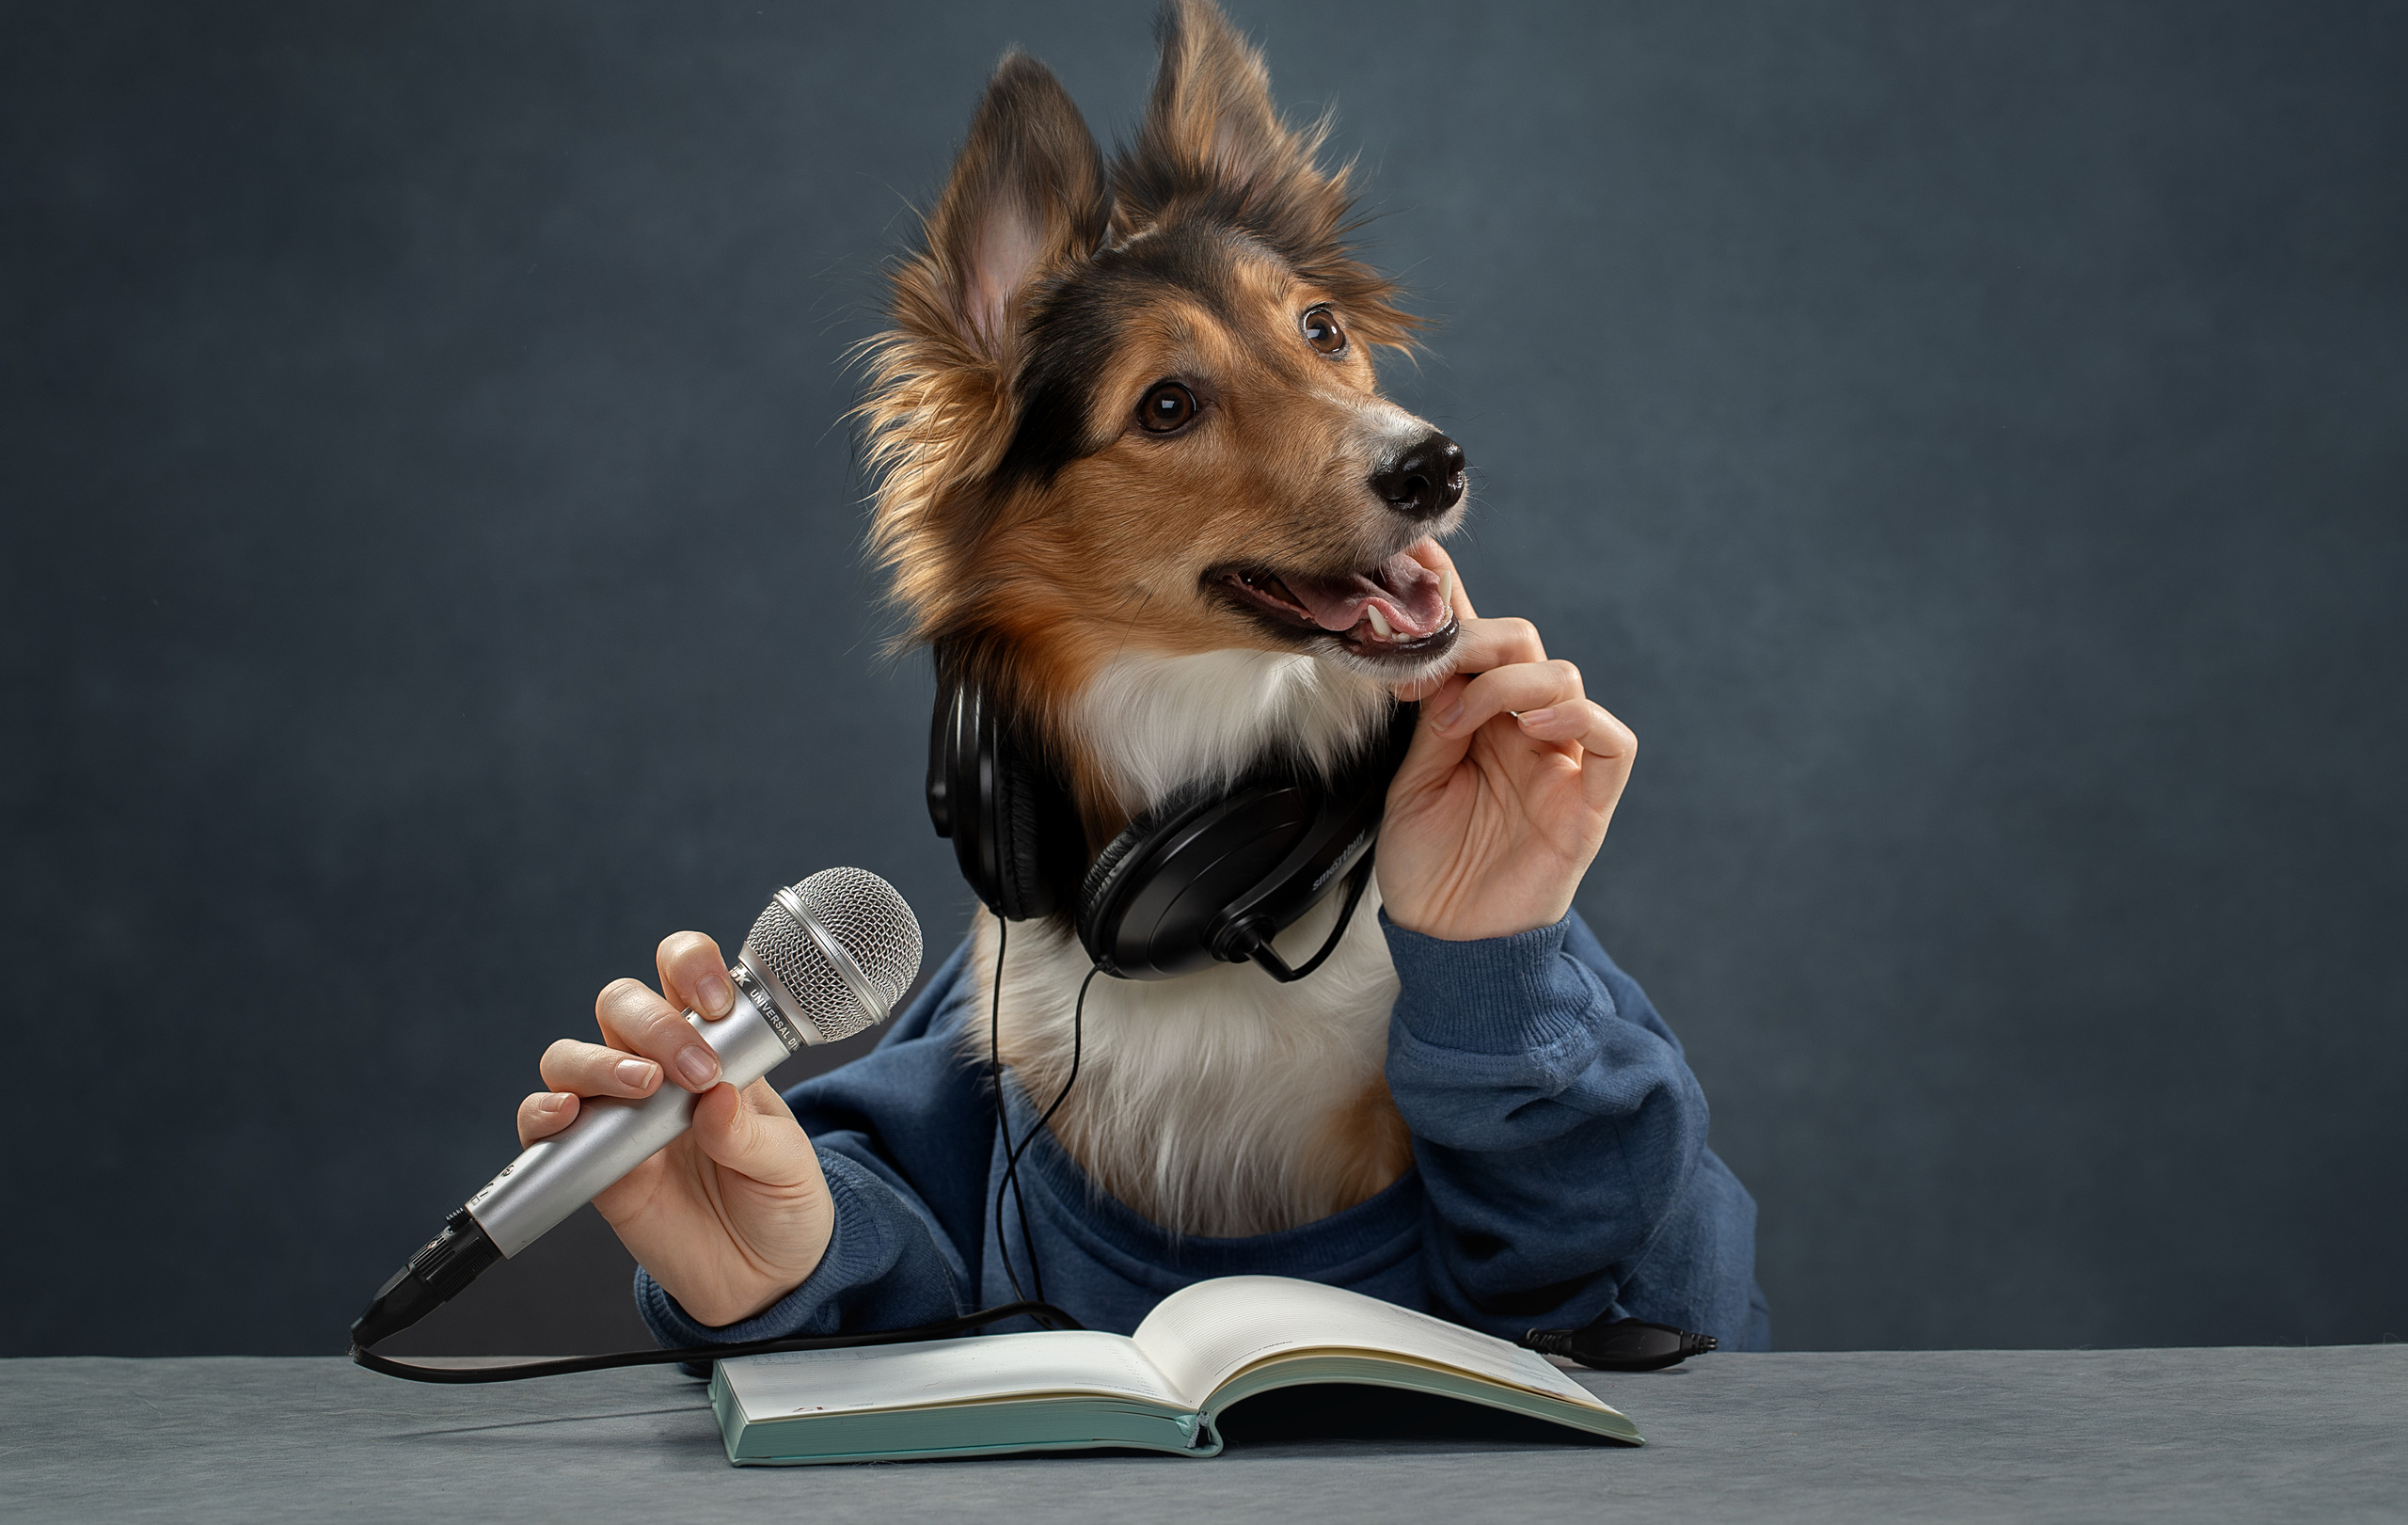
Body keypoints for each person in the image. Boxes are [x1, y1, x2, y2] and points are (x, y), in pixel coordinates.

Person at [514, 548, 1769, 1352]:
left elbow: (1663, 1320)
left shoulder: (1527, 990)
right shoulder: (1030, 958)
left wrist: (1490, 957)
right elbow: (906, 1203)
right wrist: (792, 1259)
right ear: (985, 772)